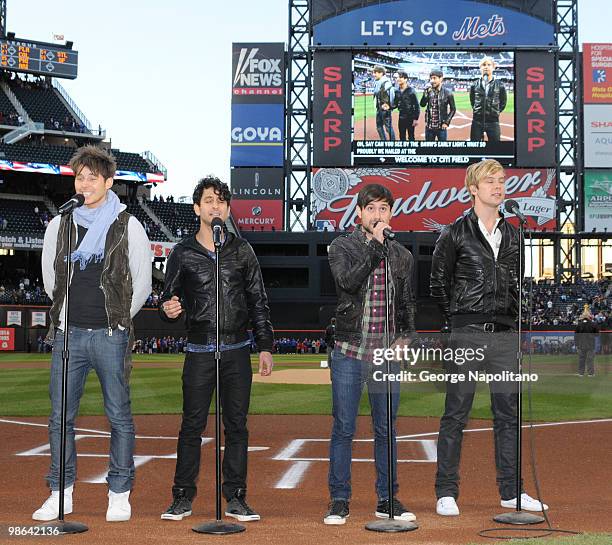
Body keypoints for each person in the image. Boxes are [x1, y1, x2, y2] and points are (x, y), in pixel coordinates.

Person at [35, 145, 152, 522]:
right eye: (79, 177)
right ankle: (60, 492)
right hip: (69, 336)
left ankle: (119, 492)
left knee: (118, 416)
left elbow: (143, 282)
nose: (84, 183)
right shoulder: (60, 223)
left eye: (92, 177)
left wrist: (120, 321)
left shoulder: (127, 224)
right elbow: (51, 278)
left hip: (109, 335)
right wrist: (64, 318)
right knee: (60, 418)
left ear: (108, 182)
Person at [430, 159, 548, 517]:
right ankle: (446, 492)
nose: (499, 187)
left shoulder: (514, 233)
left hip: (504, 336)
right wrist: (459, 324)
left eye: (501, 180)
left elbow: (515, 284)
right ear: (473, 189)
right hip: (467, 333)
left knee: (508, 415)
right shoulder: (454, 233)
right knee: (456, 414)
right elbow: (438, 285)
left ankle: (511, 492)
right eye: (490, 181)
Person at [159, 176, 274, 522]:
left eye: (221, 201)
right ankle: (182, 497)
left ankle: (236, 497)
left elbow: (258, 301)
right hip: (198, 349)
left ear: (227, 208)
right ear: (197, 208)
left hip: (237, 349)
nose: (215, 206)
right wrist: (168, 308)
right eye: (209, 200)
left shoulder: (242, 250)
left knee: (237, 426)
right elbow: (168, 297)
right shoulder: (182, 252)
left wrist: (265, 346)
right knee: (192, 425)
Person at [324, 183, 416, 525]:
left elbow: (407, 304)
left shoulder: (402, 256)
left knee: (386, 429)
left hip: (386, 356)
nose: (378, 215)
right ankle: (339, 499)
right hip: (349, 351)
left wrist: (407, 336)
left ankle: (387, 498)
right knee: (344, 427)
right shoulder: (342, 246)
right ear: (359, 213)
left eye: (384, 208)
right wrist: (375, 248)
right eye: (372, 208)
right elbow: (348, 282)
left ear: (391, 213)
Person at [469, 56, 507, 142]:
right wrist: (478, 110)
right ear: (480, 68)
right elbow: (472, 101)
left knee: (495, 148)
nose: (486, 67)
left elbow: (503, 102)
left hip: (493, 121)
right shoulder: (474, 85)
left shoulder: (500, 85)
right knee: (474, 148)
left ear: (493, 67)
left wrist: (495, 111)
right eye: (483, 65)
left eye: (489, 65)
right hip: (477, 120)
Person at [420, 68, 456, 142]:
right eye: (431, 78)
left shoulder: (448, 93)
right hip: (429, 127)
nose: (432, 81)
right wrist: (425, 94)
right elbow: (422, 104)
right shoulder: (429, 91)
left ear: (441, 79)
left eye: (434, 78)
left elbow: (453, 109)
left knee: (442, 150)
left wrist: (446, 122)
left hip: (441, 128)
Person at [372, 65, 395, 141]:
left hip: (385, 109)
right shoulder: (377, 82)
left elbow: (392, 95)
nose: (373, 74)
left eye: (375, 72)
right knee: (379, 127)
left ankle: (393, 143)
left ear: (381, 73)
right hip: (379, 108)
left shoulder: (386, 82)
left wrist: (390, 107)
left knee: (388, 128)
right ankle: (384, 142)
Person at [395, 71, 420, 141]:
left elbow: (417, 105)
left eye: (400, 77)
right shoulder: (396, 91)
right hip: (401, 117)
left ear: (405, 79)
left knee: (411, 136)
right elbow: (395, 104)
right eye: (397, 77)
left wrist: (416, 119)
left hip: (410, 117)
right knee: (402, 136)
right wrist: (388, 106)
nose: (398, 79)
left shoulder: (411, 91)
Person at [574, 310, 599, 376]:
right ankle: (590, 373)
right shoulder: (593, 324)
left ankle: (581, 373)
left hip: (581, 345)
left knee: (581, 359)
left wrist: (576, 345)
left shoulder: (579, 325)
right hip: (590, 345)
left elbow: (576, 336)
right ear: (589, 317)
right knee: (590, 359)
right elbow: (597, 334)